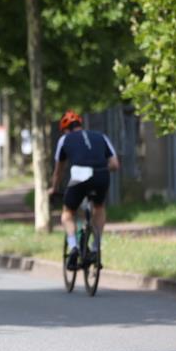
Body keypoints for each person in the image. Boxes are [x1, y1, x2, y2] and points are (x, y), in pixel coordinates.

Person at [47, 110, 120, 270]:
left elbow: (59, 170)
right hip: (101, 175)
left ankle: (73, 247)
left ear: (65, 129)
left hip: (80, 175)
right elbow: (115, 165)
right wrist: (98, 169)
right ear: (80, 125)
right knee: (99, 207)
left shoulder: (64, 139)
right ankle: (95, 247)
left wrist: (54, 189)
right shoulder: (101, 137)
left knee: (68, 213)